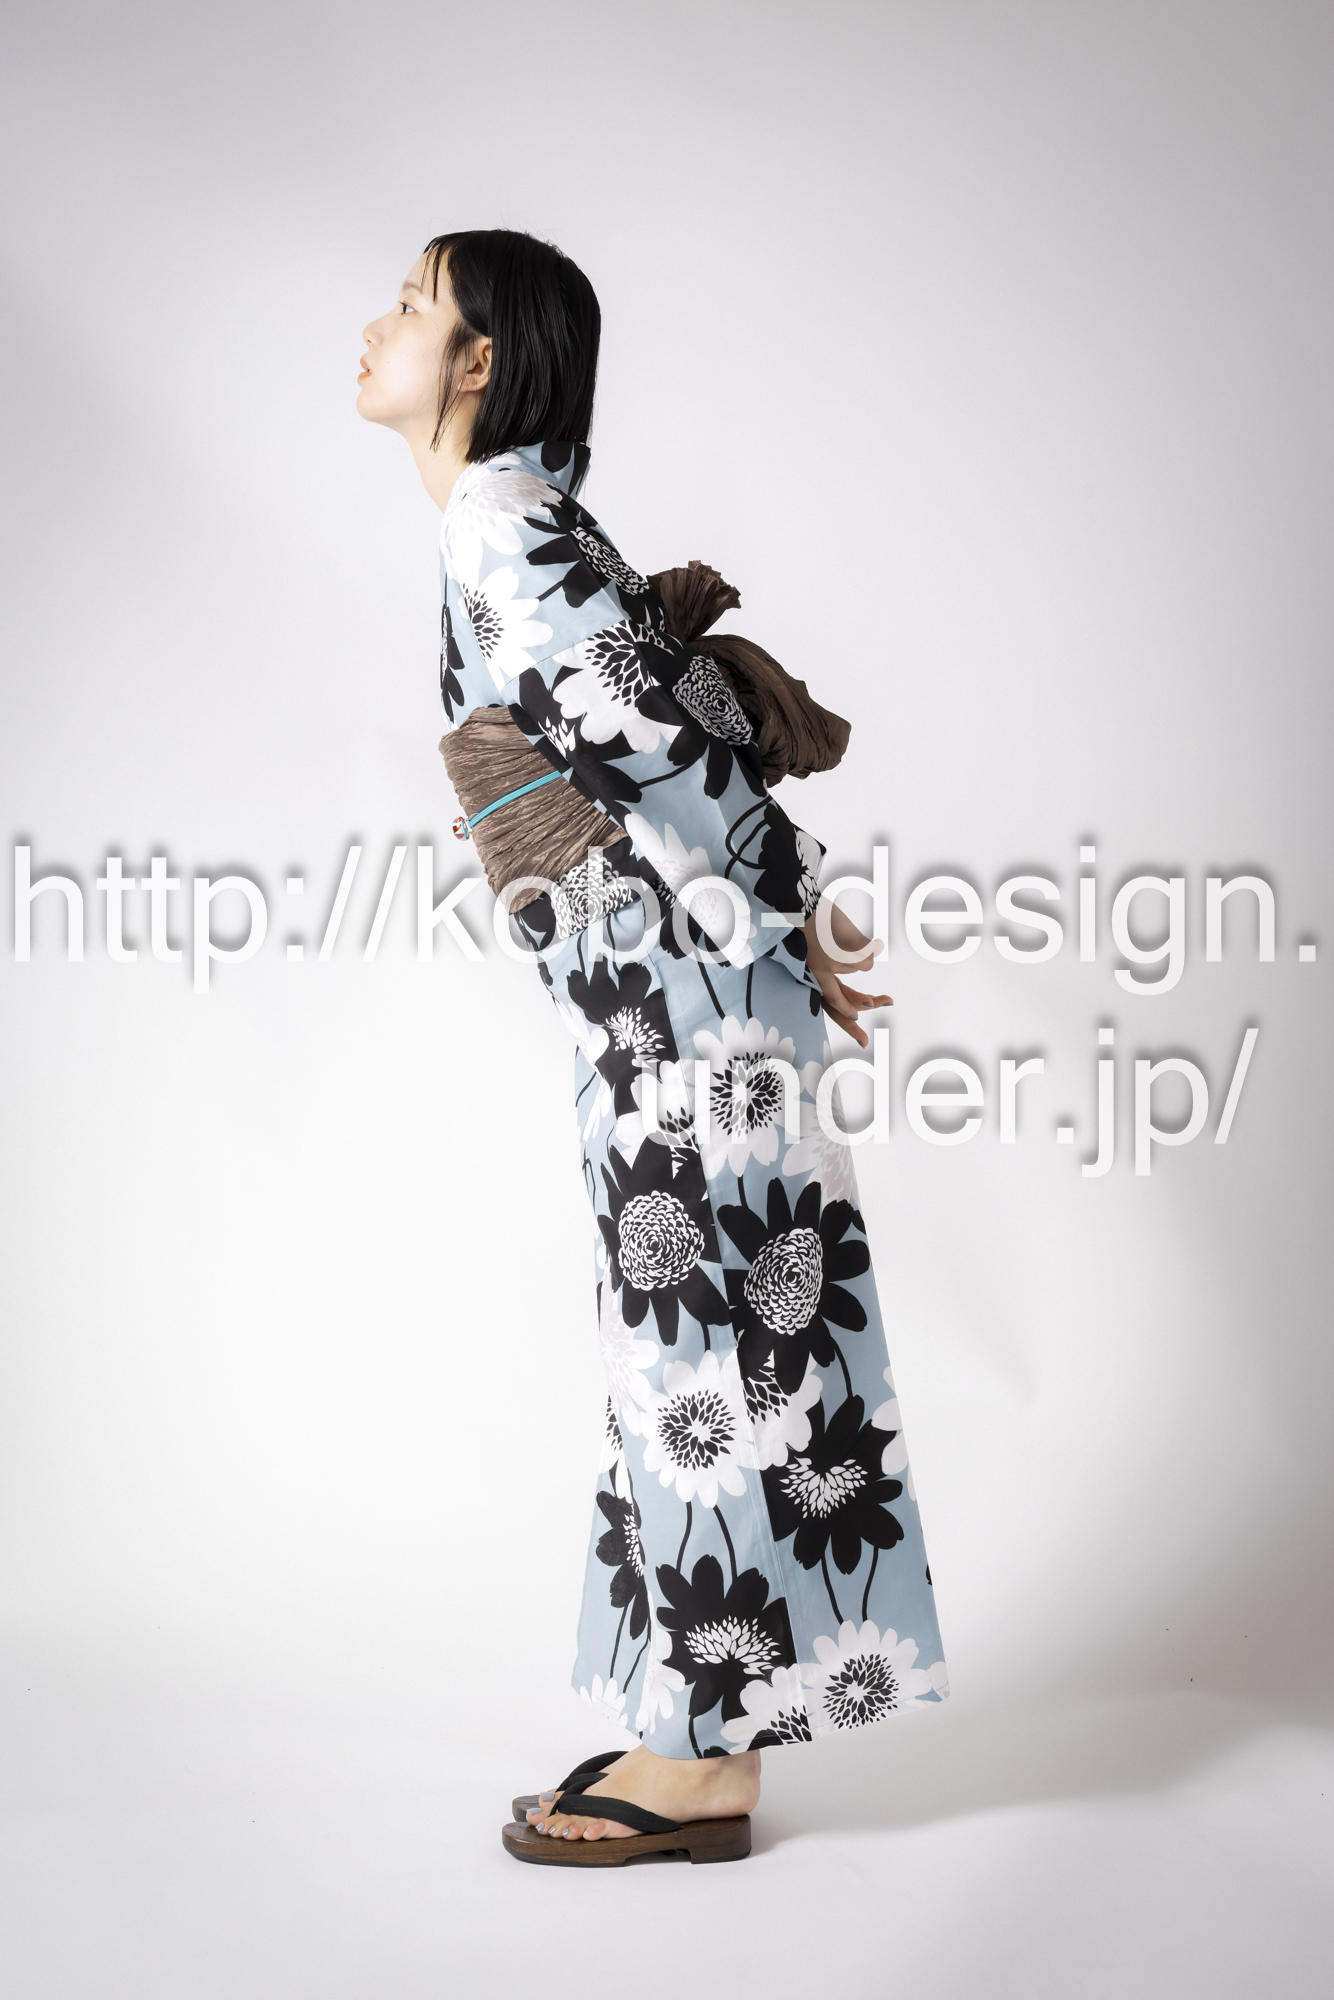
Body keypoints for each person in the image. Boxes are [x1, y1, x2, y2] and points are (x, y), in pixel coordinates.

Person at [357, 229, 947, 1867]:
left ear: (480, 361)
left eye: (409, 305)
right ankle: (692, 1724)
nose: (375, 327)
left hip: (681, 1001)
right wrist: (775, 908)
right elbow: (643, 728)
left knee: (696, 1347)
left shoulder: (500, 523)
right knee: (699, 1343)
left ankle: (701, 1761)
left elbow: (644, 733)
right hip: (675, 989)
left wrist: (788, 901)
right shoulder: (521, 518)